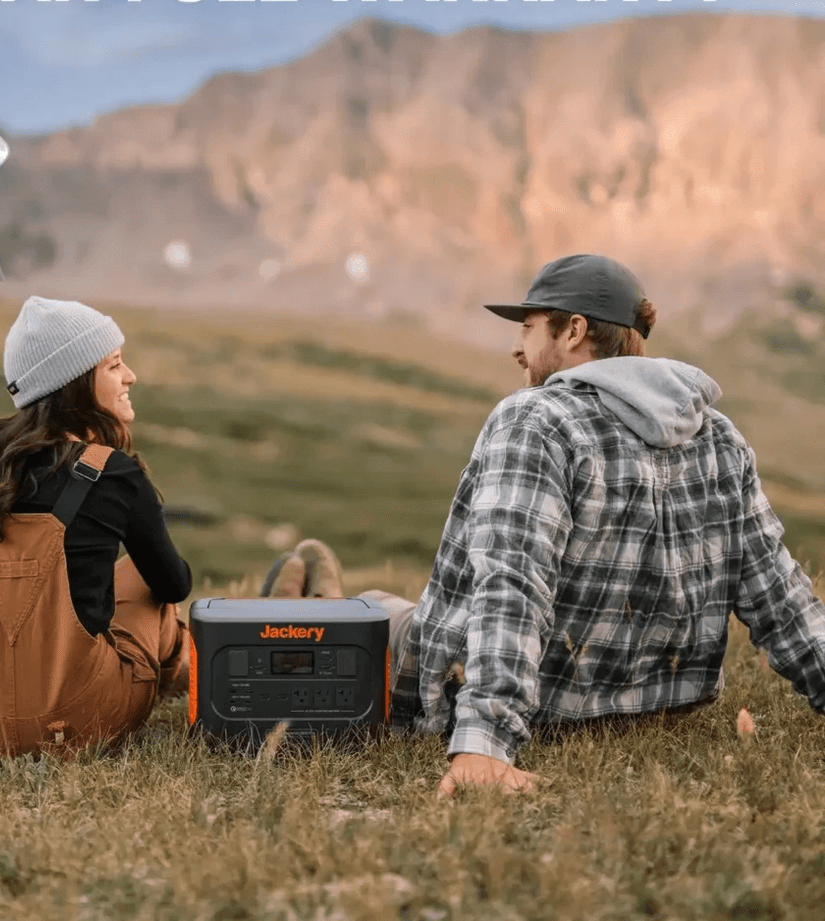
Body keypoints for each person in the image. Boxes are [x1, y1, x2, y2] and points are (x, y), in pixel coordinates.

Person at [263, 254, 825, 797]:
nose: (516, 347)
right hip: (657, 703)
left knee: (373, 616)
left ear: (574, 330)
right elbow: (779, 594)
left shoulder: (536, 419)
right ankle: (317, 595)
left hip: (541, 703)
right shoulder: (716, 434)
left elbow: (514, 582)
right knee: (378, 609)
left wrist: (485, 742)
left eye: (529, 328)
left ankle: (307, 607)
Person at [0, 296, 192, 757]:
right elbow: (173, 583)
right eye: (114, 365)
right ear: (77, 383)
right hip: (82, 724)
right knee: (147, 586)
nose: (130, 376)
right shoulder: (115, 472)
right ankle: (188, 672)